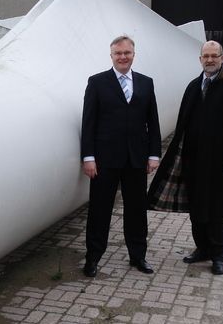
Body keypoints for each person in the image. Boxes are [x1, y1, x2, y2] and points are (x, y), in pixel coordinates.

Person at [149, 40, 223, 275]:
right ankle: (202, 249)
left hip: (222, 163)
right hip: (194, 161)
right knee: (197, 209)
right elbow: (182, 124)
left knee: (218, 210)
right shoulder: (193, 87)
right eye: (206, 56)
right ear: (200, 59)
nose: (210, 60)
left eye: (215, 56)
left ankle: (218, 255)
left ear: (222, 58)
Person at [80, 35, 162, 277]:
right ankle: (93, 258)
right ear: (112, 56)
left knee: (137, 210)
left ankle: (138, 256)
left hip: (137, 159)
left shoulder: (146, 83)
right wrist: (88, 157)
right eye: (118, 53)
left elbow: (153, 122)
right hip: (104, 161)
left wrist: (154, 154)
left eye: (127, 53)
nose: (123, 57)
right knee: (99, 210)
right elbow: (89, 123)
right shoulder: (97, 82)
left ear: (133, 55)